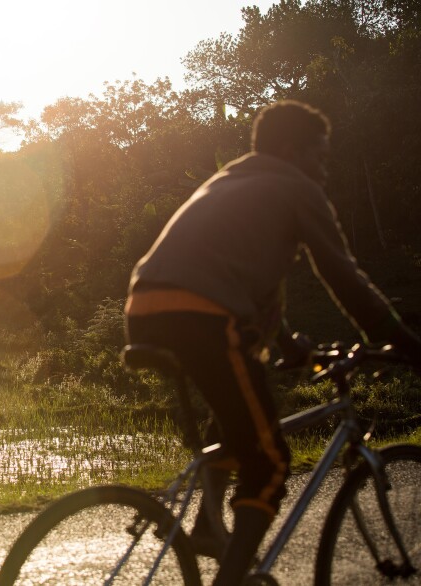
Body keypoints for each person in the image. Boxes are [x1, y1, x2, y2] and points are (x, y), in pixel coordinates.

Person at [123, 100, 421, 585]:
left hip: (147, 310)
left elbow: (237, 279)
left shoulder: (233, 178)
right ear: (290, 151)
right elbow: (343, 276)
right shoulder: (297, 187)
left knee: (242, 406)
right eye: (319, 157)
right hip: (202, 317)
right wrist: (403, 340)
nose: (324, 170)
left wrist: (285, 343)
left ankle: (206, 524)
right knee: (271, 464)